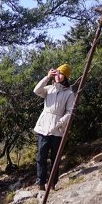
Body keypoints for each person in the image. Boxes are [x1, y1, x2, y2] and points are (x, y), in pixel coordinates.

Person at [33, 63, 76, 191]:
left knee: (55, 158)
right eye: (57, 72)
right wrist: (46, 78)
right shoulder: (49, 89)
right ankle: (40, 182)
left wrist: (59, 124)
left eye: (61, 73)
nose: (58, 75)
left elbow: (70, 112)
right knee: (41, 156)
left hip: (57, 130)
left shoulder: (69, 93)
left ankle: (53, 182)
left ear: (66, 76)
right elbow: (36, 90)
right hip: (44, 127)